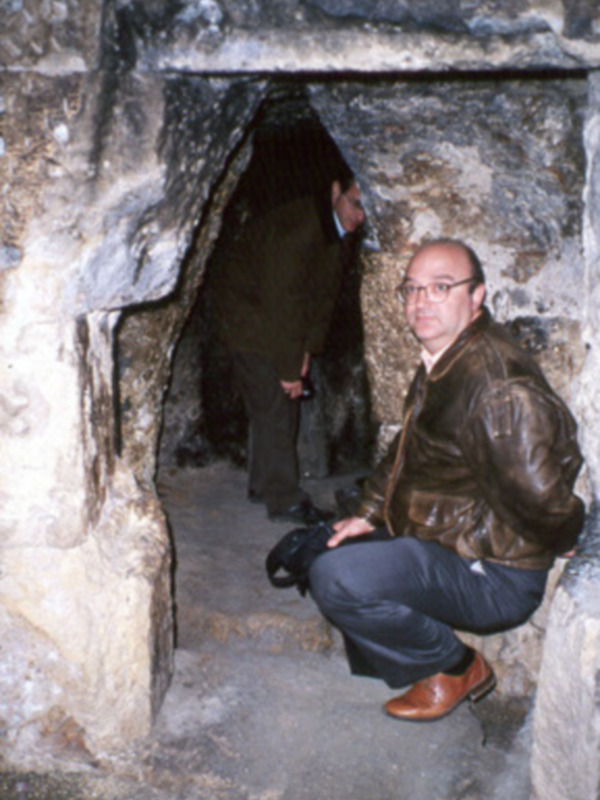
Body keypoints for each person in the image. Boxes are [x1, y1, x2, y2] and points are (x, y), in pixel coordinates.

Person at [309, 238, 585, 722]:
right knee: (331, 547)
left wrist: (564, 538)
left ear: (476, 296)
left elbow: (539, 495)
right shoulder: (449, 356)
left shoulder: (494, 386)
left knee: (337, 578)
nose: (421, 302)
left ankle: (455, 668)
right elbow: (407, 448)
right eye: (412, 289)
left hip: (497, 573)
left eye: (441, 288)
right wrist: (368, 514)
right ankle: (409, 657)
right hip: (455, 536)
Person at [211, 171, 365, 525]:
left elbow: (319, 297)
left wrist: (307, 350)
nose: (359, 216)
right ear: (334, 190)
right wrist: (288, 369)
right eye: (355, 203)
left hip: (269, 321)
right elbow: (284, 304)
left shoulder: (332, 229)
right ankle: (285, 500)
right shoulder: (302, 229)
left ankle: (265, 485)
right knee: (277, 407)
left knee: (274, 407)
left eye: (366, 209)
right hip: (253, 323)